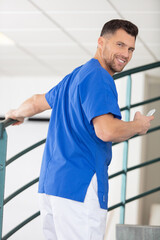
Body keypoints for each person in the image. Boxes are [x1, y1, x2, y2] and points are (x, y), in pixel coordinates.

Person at [5, 19, 154, 240]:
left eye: (131, 49)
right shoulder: (100, 78)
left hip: (53, 187)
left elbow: (37, 102)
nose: (126, 54)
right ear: (101, 42)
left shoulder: (75, 77)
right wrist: (138, 126)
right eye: (120, 45)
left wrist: (15, 112)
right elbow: (106, 131)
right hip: (80, 189)